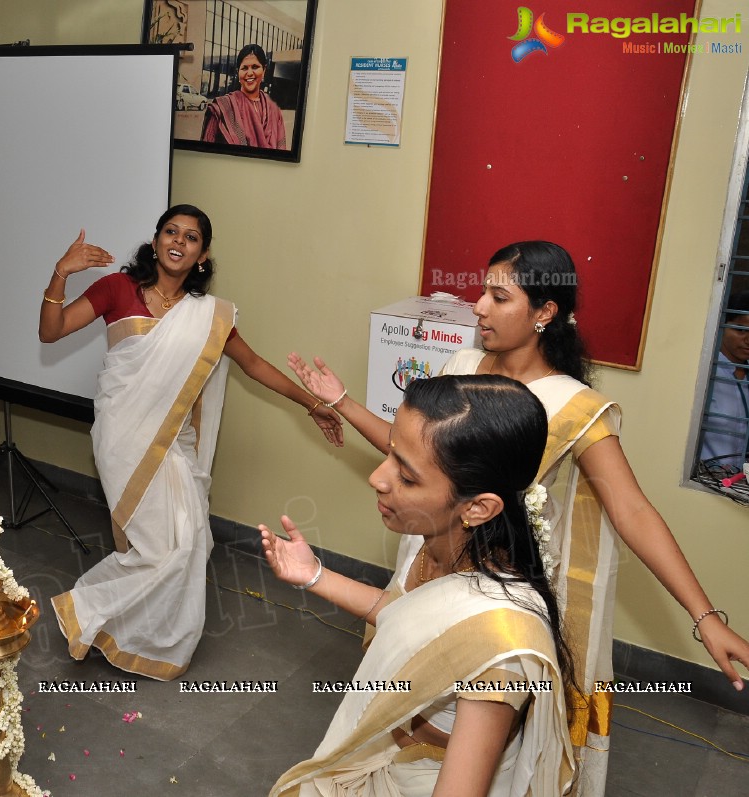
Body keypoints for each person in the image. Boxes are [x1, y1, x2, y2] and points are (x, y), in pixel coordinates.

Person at [291, 240, 749, 794]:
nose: (478, 306)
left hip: (493, 584)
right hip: (433, 556)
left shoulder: (574, 406)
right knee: (408, 695)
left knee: (471, 725)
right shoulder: (463, 364)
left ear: (544, 312)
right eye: (482, 291)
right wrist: (341, 399)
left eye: (498, 296)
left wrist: (705, 618)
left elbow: (632, 511)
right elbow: (408, 450)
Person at [39, 205, 343, 680]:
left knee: (189, 540)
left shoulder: (208, 315)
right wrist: (61, 273)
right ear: (156, 240)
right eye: (171, 232)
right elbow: (50, 331)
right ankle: (86, 608)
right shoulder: (116, 289)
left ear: (203, 254)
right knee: (161, 546)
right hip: (123, 435)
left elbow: (255, 365)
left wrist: (312, 403)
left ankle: (136, 631)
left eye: (192, 237)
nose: (179, 241)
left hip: (175, 441)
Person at [264, 375, 574, 796]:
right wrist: (314, 574)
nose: (378, 477)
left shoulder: (501, 642)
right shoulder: (433, 542)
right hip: (387, 758)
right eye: (390, 452)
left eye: (407, 478)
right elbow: (404, 615)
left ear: (478, 507)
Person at [697, 291, 749, 469]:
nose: (748, 339)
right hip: (704, 479)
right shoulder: (706, 376)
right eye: (740, 330)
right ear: (721, 326)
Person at [201, 43, 288, 149]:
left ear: (264, 70)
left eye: (255, 67)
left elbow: (281, 151)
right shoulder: (221, 108)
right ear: (238, 72)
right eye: (244, 68)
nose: (250, 73)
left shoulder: (274, 111)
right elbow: (206, 151)